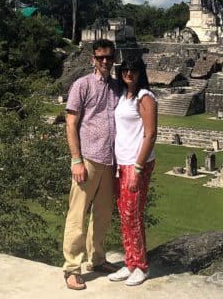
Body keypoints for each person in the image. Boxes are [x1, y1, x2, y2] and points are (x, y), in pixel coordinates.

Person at [62, 39, 120, 291]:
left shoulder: (117, 87)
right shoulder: (82, 85)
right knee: (78, 215)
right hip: (88, 158)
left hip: (110, 159)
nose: (104, 61)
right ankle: (72, 267)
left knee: (103, 214)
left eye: (108, 57)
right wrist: (76, 160)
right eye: (100, 57)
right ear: (92, 59)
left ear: (113, 58)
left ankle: (97, 258)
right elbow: (71, 123)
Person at [107, 57, 158, 286]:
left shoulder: (144, 97)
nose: (129, 73)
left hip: (137, 163)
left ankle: (141, 266)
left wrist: (138, 167)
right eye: (125, 69)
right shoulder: (123, 96)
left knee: (133, 215)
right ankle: (130, 263)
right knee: (124, 215)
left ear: (140, 72)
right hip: (122, 162)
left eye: (133, 69)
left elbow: (151, 134)